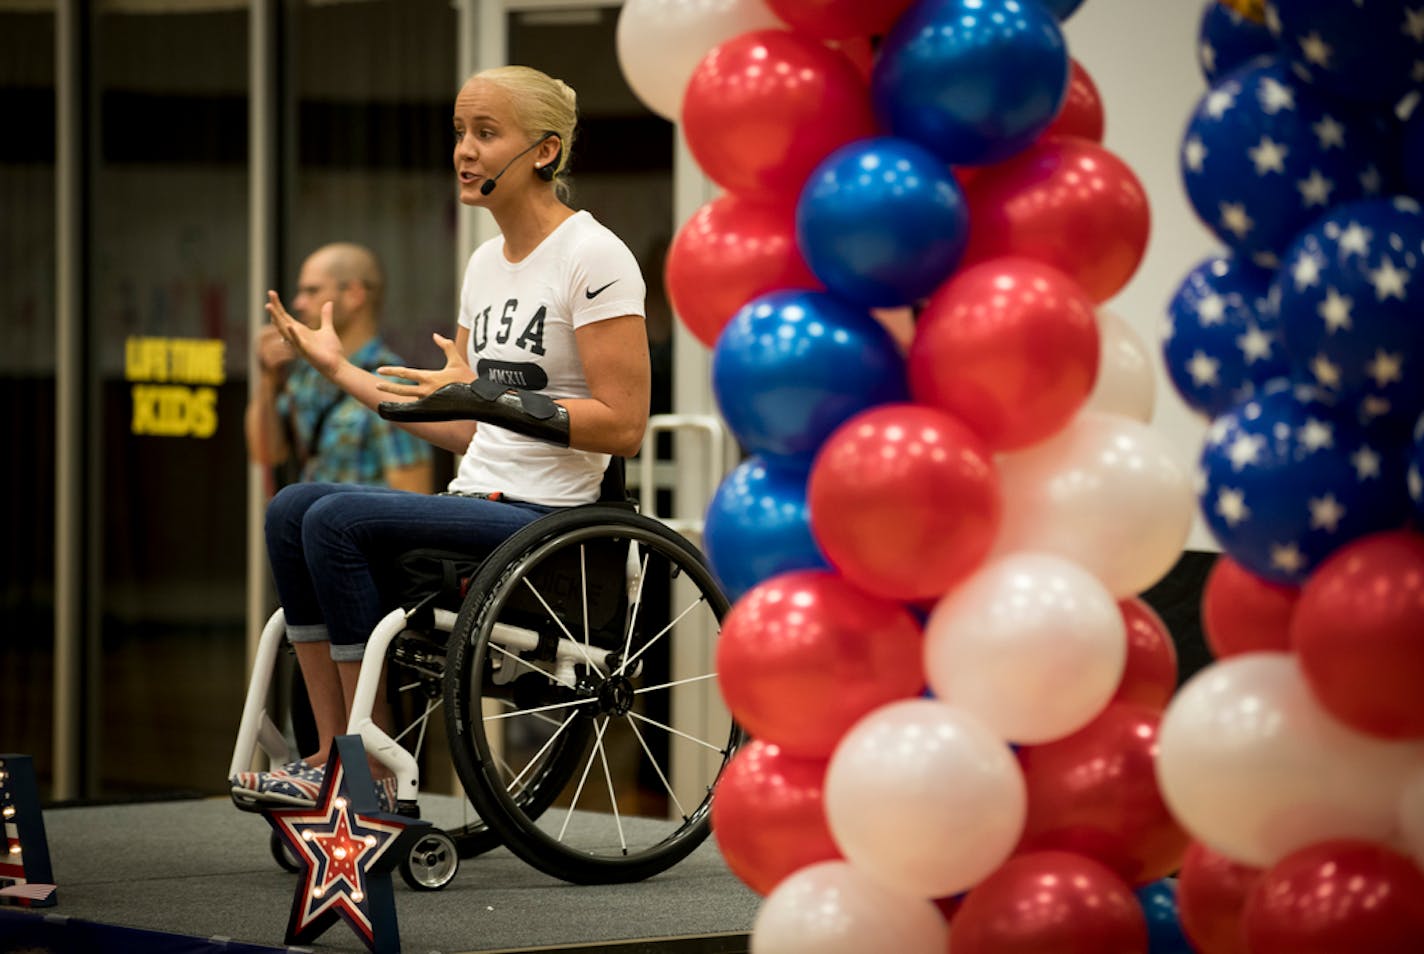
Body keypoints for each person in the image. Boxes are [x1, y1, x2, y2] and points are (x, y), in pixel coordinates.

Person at [229, 65, 650, 811]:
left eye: (486, 134)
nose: (463, 150)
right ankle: (333, 757)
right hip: (477, 498)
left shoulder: (594, 257)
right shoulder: (484, 262)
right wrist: (336, 369)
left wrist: (487, 393)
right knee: (290, 507)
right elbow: (454, 418)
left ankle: (376, 770)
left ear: (544, 152)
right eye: (460, 132)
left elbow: (623, 425)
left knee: (335, 518)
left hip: (546, 520)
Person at [244, 242, 434, 493]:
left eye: (312, 291)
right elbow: (265, 453)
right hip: (312, 525)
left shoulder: (392, 382)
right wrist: (268, 379)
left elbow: (413, 494)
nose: (298, 303)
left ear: (354, 295)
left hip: (362, 530)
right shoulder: (307, 374)